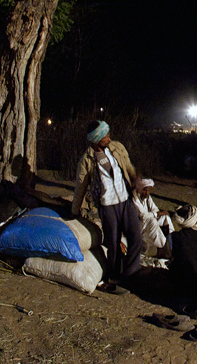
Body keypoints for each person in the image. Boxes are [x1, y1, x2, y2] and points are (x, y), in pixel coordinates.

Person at [71, 120, 143, 294]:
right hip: (107, 206)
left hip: (125, 200)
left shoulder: (116, 147)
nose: (108, 136)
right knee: (113, 243)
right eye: (104, 135)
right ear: (95, 140)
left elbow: (128, 167)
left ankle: (131, 274)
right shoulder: (87, 159)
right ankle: (115, 276)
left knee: (136, 237)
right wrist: (74, 211)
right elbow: (80, 186)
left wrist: (135, 181)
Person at [132, 178, 174, 258]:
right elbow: (143, 215)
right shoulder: (135, 198)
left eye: (149, 190)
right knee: (152, 221)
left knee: (165, 218)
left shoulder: (147, 197)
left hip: (147, 223)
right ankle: (163, 247)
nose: (146, 193)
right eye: (145, 190)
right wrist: (157, 213)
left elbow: (155, 209)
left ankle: (171, 243)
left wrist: (160, 213)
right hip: (138, 227)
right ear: (140, 188)